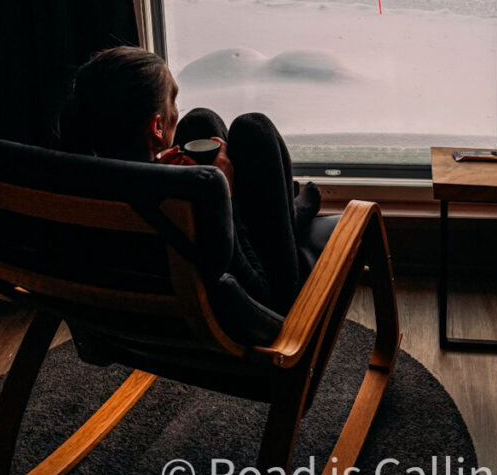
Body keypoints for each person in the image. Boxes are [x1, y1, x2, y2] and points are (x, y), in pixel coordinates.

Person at [58, 45, 321, 314]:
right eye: (172, 102)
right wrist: (225, 196)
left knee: (200, 122)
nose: (176, 110)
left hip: (118, 314)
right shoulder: (183, 197)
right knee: (255, 128)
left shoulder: (72, 181)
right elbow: (259, 294)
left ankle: (293, 209)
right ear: (157, 126)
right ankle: (293, 214)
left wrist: (158, 168)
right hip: (230, 319)